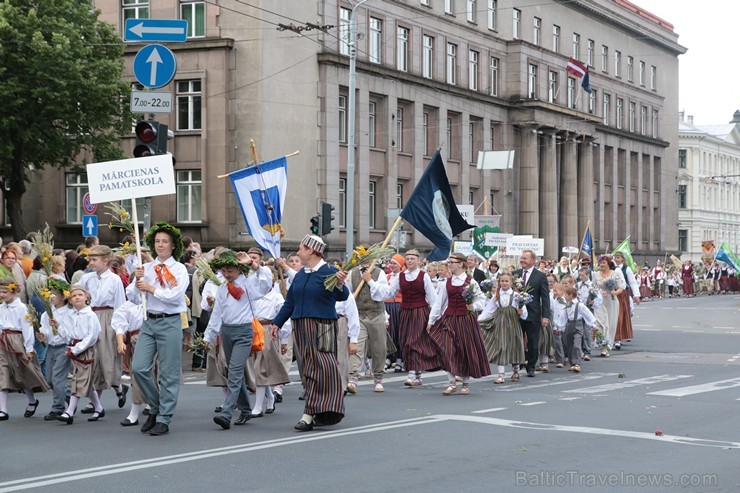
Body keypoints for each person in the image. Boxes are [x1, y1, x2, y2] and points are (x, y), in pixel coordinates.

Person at [270, 235, 350, 432]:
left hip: (322, 326)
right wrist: (277, 323)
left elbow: (343, 295)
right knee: (308, 369)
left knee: (321, 368)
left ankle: (310, 413)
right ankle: (321, 410)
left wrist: (340, 284)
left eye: (301, 249)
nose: (298, 252)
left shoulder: (329, 271)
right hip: (301, 326)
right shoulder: (301, 274)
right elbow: (290, 302)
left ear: (312, 251)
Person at [127, 222, 190, 436]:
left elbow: (174, 296)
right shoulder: (147, 268)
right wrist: (137, 281)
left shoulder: (179, 269)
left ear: (173, 246)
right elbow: (133, 297)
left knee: (169, 373)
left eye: (164, 242)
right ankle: (156, 406)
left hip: (170, 322)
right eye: (157, 242)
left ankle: (164, 417)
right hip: (149, 321)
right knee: (139, 368)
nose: (160, 245)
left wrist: (151, 288)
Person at [203, 250, 272, 429]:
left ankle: (226, 413)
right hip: (227, 332)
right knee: (235, 373)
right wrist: (208, 336)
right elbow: (217, 313)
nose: (227, 274)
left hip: (243, 332)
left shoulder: (249, 284)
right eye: (224, 271)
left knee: (234, 371)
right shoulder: (222, 288)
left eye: (230, 271)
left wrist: (252, 264)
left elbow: (266, 282)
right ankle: (245, 409)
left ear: (239, 270)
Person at [368, 249, 440, 387]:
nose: (410, 260)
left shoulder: (423, 276)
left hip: (420, 311)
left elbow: (432, 298)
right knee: (407, 341)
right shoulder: (400, 276)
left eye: (413, 258)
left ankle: (412, 374)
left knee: (414, 341)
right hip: (405, 312)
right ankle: (417, 375)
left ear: (418, 261)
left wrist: (433, 318)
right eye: (408, 258)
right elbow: (388, 293)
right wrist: (372, 283)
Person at [427, 252, 490, 395]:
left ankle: (465, 384)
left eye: (452, 262)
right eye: (449, 262)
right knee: (447, 349)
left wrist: (473, 306)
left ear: (461, 264)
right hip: (449, 319)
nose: (449, 264)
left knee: (464, 350)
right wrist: (431, 320)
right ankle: (451, 383)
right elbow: (439, 303)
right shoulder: (445, 283)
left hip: (465, 320)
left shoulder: (471, 282)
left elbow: (481, 300)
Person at [78, 245, 127, 411]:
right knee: (93, 358)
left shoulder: (114, 280)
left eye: (94, 260)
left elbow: (120, 305)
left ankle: (97, 399)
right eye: (90, 259)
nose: (91, 263)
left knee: (105, 359)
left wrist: (120, 329)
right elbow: (76, 292)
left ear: (105, 261)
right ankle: (117, 388)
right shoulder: (87, 279)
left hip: (108, 319)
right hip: (91, 318)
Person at [0, 275, 50, 421]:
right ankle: (3, 409)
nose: (2, 294)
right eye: (0, 291)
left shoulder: (21, 307)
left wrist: (28, 348)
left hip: (17, 341)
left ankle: (32, 400)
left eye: (5, 291)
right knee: (3, 372)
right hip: (3, 341)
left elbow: (27, 328)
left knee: (22, 372)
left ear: (13, 291)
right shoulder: (1, 307)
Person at [55, 285, 103, 424]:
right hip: (75, 347)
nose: (77, 297)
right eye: (74, 296)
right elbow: (67, 335)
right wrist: (57, 327)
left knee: (79, 380)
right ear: (70, 300)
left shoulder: (90, 315)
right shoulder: (70, 315)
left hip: (86, 349)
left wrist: (77, 349)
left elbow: (92, 336)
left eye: (80, 295)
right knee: (83, 379)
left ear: (86, 297)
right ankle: (99, 407)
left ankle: (69, 412)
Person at [478, 272, 526, 384]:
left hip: (513, 323)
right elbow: (489, 310)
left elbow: (524, 313)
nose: (504, 283)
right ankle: (501, 375)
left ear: (511, 282)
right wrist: (479, 320)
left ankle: (515, 371)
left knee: (515, 346)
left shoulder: (516, 296)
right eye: (502, 281)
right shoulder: (496, 296)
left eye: (506, 281)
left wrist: (521, 311)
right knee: (501, 347)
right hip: (500, 324)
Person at [350, 258, 390, 393]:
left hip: (376, 314)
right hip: (359, 315)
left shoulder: (380, 273)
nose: (366, 260)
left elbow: (383, 294)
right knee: (357, 346)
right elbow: (349, 295)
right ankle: (353, 378)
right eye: (363, 257)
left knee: (379, 348)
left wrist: (370, 280)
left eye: (368, 257)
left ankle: (378, 378)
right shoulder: (352, 273)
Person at [38, 279, 72, 421]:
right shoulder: (47, 313)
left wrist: (58, 326)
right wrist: (42, 334)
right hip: (51, 347)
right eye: (49, 294)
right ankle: (69, 396)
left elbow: (70, 333)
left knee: (58, 378)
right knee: (50, 379)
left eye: (55, 294)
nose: (51, 297)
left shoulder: (69, 313)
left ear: (63, 296)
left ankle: (57, 408)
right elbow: (45, 329)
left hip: (64, 347)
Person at [513, 250, 551, 377]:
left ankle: (531, 366)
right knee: (517, 340)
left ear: (533, 261)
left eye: (525, 258)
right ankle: (517, 363)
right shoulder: (515, 274)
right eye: (521, 258)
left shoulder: (540, 276)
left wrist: (545, 316)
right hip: (516, 314)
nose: (522, 260)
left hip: (533, 314)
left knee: (533, 341)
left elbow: (545, 297)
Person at [593, 255, 626, 357]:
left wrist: (614, 292)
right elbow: (593, 287)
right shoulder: (595, 274)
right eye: (600, 263)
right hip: (599, 302)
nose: (601, 265)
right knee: (598, 324)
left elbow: (621, 287)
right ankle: (601, 341)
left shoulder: (614, 273)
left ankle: (606, 348)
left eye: (603, 263)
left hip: (611, 301)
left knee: (610, 325)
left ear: (608, 263)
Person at [560, 286, 598, 373]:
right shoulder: (566, 305)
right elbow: (563, 317)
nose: (564, 296)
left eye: (566, 295)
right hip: (569, 325)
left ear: (571, 295)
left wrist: (593, 324)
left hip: (578, 324)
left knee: (577, 344)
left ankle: (577, 364)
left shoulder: (580, 305)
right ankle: (572, 363)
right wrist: (560, 327)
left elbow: (587, 315)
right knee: (568, 344)